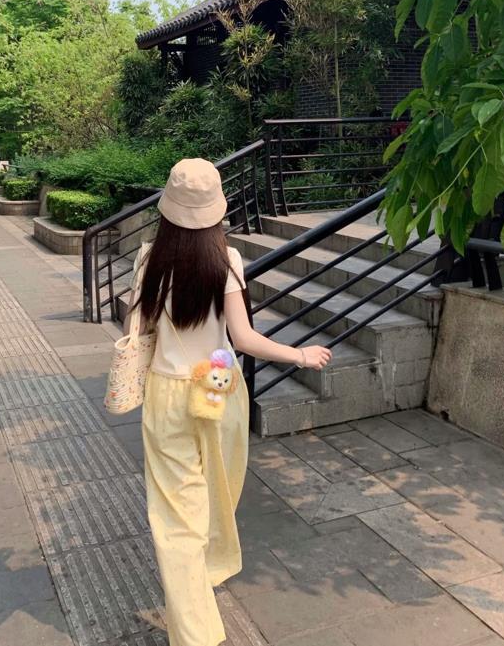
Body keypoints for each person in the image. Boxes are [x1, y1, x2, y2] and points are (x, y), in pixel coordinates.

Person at [123, 158, 332, 646]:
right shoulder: (227, 260)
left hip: (166, 391)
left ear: (168, 208)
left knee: (175, 514)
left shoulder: (148, 259)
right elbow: (243, 338)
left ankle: (193, 607)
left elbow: (141, 329)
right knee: (220, 491)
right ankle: (203, 590)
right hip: (218, 386)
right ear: (216, 210)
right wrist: (299, 355)